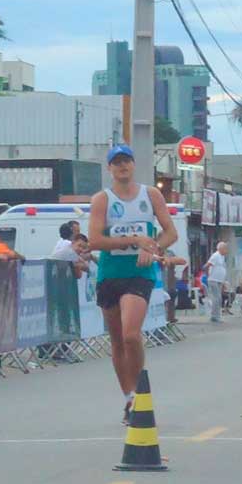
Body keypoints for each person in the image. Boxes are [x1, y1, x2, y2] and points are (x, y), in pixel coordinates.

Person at [87, 144, 178, 425]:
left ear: (134, 165)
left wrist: (152, 248)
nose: (122, 166)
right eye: (117, 163)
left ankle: (141, 394)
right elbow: (95, 241)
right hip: (110, 273)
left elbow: (170, 233)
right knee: (116, 340)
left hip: (140, 273)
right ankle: (128, 398)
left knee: (130, 334)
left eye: (126, 161)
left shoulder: (150, 195)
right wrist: (134, 240)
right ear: (109, 168)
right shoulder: (102, 199)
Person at [204, 241, 228, 323]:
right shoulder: (215, 255)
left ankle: (216, 315)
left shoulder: (222, 257)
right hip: (213, 279)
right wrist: (208, 275)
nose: (226, 250)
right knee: (217, 298)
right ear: (221, 248)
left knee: (219, 298)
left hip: (219, 280)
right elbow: (207, 266)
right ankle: (215, 316)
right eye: (225, 248)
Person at [161, 249, 188, 324]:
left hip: (171, 281)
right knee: (166, 299)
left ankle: (171, 318)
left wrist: (169, 259)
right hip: (163, 281)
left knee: (172, 296)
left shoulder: (169, 252)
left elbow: (182, 261)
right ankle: (166, 319)